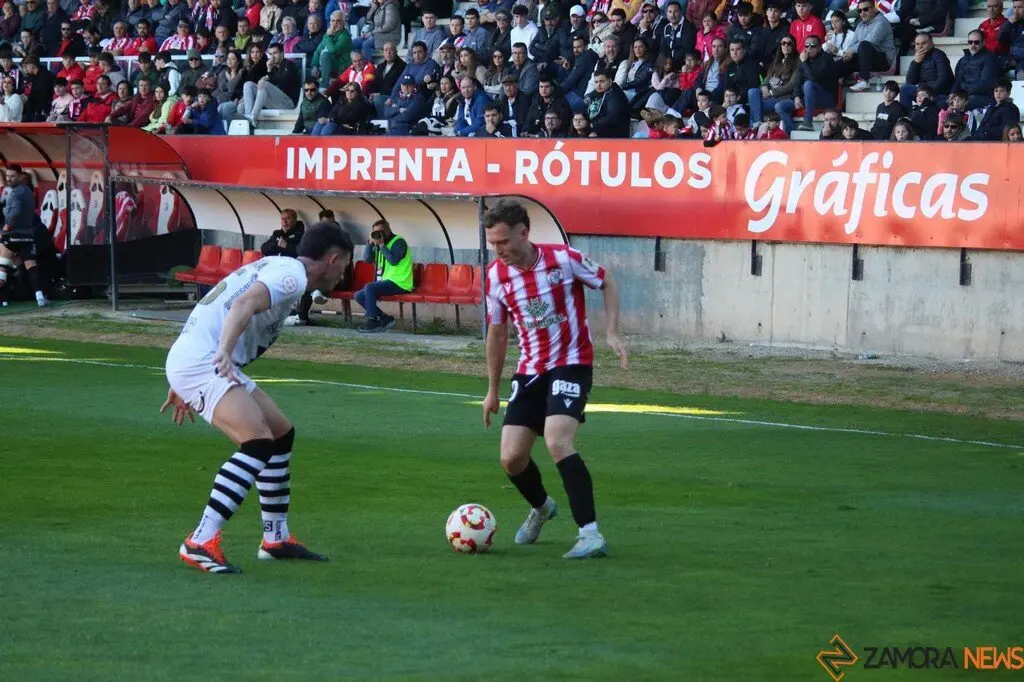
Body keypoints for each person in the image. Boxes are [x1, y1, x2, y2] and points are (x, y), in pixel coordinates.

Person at [163, 223, 354, 574]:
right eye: (345, 265)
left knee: (281, 434)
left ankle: (275, 538)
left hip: (200, 359)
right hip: (207, 361)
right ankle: (200, 541)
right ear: (333, 258)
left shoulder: (280, 267)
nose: (344, 274)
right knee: (257, 442)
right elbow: (242, 303)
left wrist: (186, 370)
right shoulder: (292, 276)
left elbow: (217, 303)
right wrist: (218, 354)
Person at [481, 199, 627, 560]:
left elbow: (607, 280)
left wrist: (611, 331)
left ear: (523, 233)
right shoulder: (496, 276)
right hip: (530, 369)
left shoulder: (563, 258)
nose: (498, 251)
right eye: (492, 244)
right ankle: (543, 508)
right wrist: (491, 391)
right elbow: (497, 333)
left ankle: (590, 534)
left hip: (572, 363)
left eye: (503, 242)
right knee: (511, 458)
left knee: (557, 440)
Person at [354, 219, 412, 333]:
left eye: (380, 231)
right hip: (387, 282)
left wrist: (382, 245)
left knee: (369, 287)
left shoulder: (399, 242)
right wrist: (370, 243)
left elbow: (393, 261)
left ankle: (373, 319)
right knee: (358, 296)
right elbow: (367, 260)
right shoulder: (378, 243)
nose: (378, 234)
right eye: (375, 232)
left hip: (401, 282)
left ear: (388, 231)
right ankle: (385, 319)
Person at [0, 171, 48, 307]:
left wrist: (7, 224)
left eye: (13, 177)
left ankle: (3, 299)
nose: (10, 179)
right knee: (31, 266)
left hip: (13, 234)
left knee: (2, 267)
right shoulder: (30, 194)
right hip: (28, 235)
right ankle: (40, 297)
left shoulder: (15, 193)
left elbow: (14, 212)